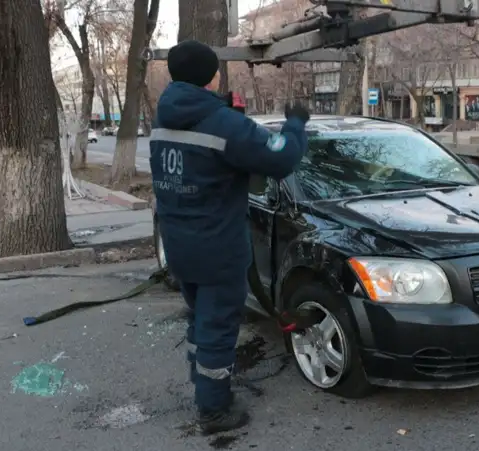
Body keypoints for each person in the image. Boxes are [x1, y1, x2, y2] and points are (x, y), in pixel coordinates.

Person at [149, 39, 310, 435]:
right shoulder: (224, 124)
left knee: (201, 322)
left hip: (180, 245)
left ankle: (204, 384)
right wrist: (295, 124)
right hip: (218, 248)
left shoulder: (163, 118)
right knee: (218, 328)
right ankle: (214, 410)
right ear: (210, 74)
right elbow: (281, 158)